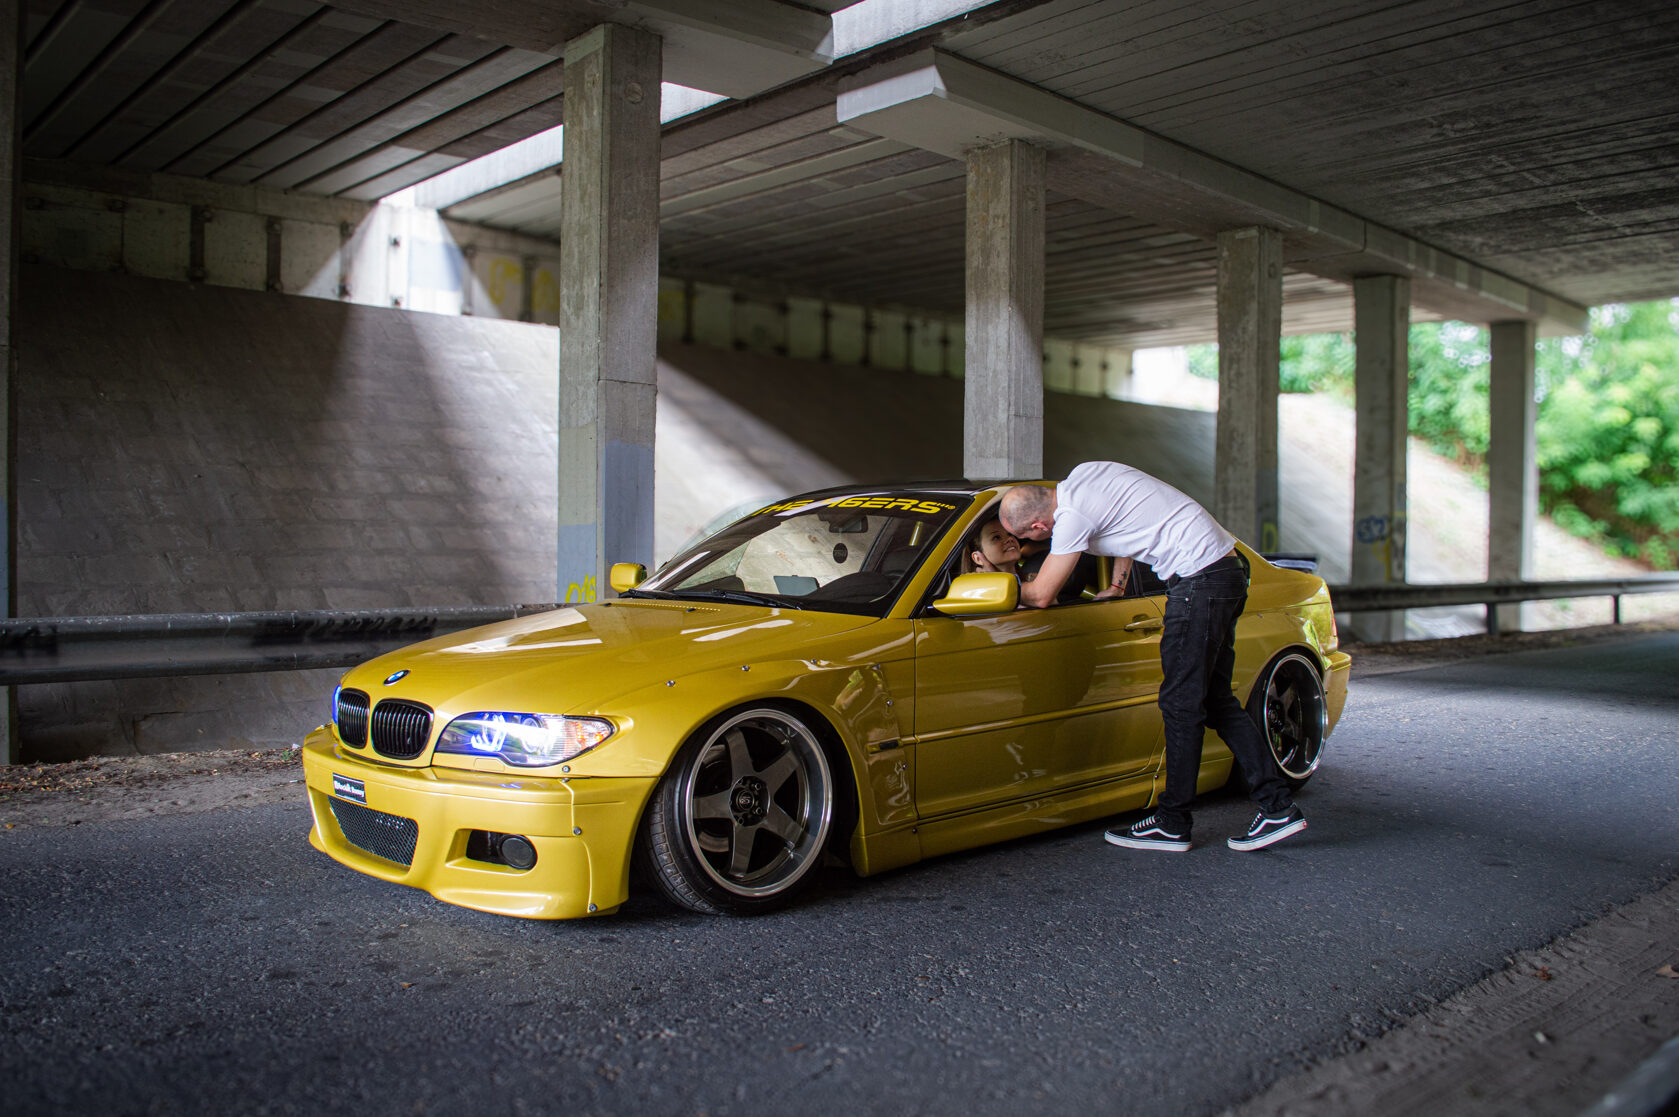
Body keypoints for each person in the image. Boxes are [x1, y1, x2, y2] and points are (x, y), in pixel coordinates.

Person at [999, 462, 1307, 852]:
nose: (1027, 546)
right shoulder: (1087, 474)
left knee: (1180, 705)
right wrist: (1117, 585)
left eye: (1026, 539)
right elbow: (1129, 524)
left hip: (1198, 582)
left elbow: (1042, 595)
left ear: (1039, 527)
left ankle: (1173, 822)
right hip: (1223, 571)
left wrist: (993, 581)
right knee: (1214, 700)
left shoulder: (1071, 519)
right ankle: (1277, 807)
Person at [963, 515, 1098, 604]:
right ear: (978, 558)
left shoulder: (1035, 582)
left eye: (1009, 534)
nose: (1009, 539)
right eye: (996, 537)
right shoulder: (977, 593)